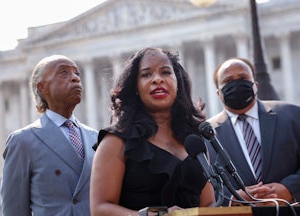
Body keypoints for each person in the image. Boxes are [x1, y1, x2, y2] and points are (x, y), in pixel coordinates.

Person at [90, 47, 215, 216]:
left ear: (178, 82)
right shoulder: (115, 141)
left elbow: (209, 202)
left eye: (165, 72)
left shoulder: (193, 141)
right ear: (135, 87)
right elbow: (100, 209)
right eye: (146, 74)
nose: (157, 79)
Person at [206, 57, 300, 206]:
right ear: (218, 93)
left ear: (255, 85)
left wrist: (289, 189)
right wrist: (232, 198)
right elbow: (201, 185)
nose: (236, 83)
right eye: (228, 81)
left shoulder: (293, 115)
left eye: (243, 77)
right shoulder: (206, 135)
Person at [0, 55, 98, 215]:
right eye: (64, 73)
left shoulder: (95, 137)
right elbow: (14, 210)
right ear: (42, 87)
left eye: (77, 73)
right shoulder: (22, 141)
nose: (74, 78)